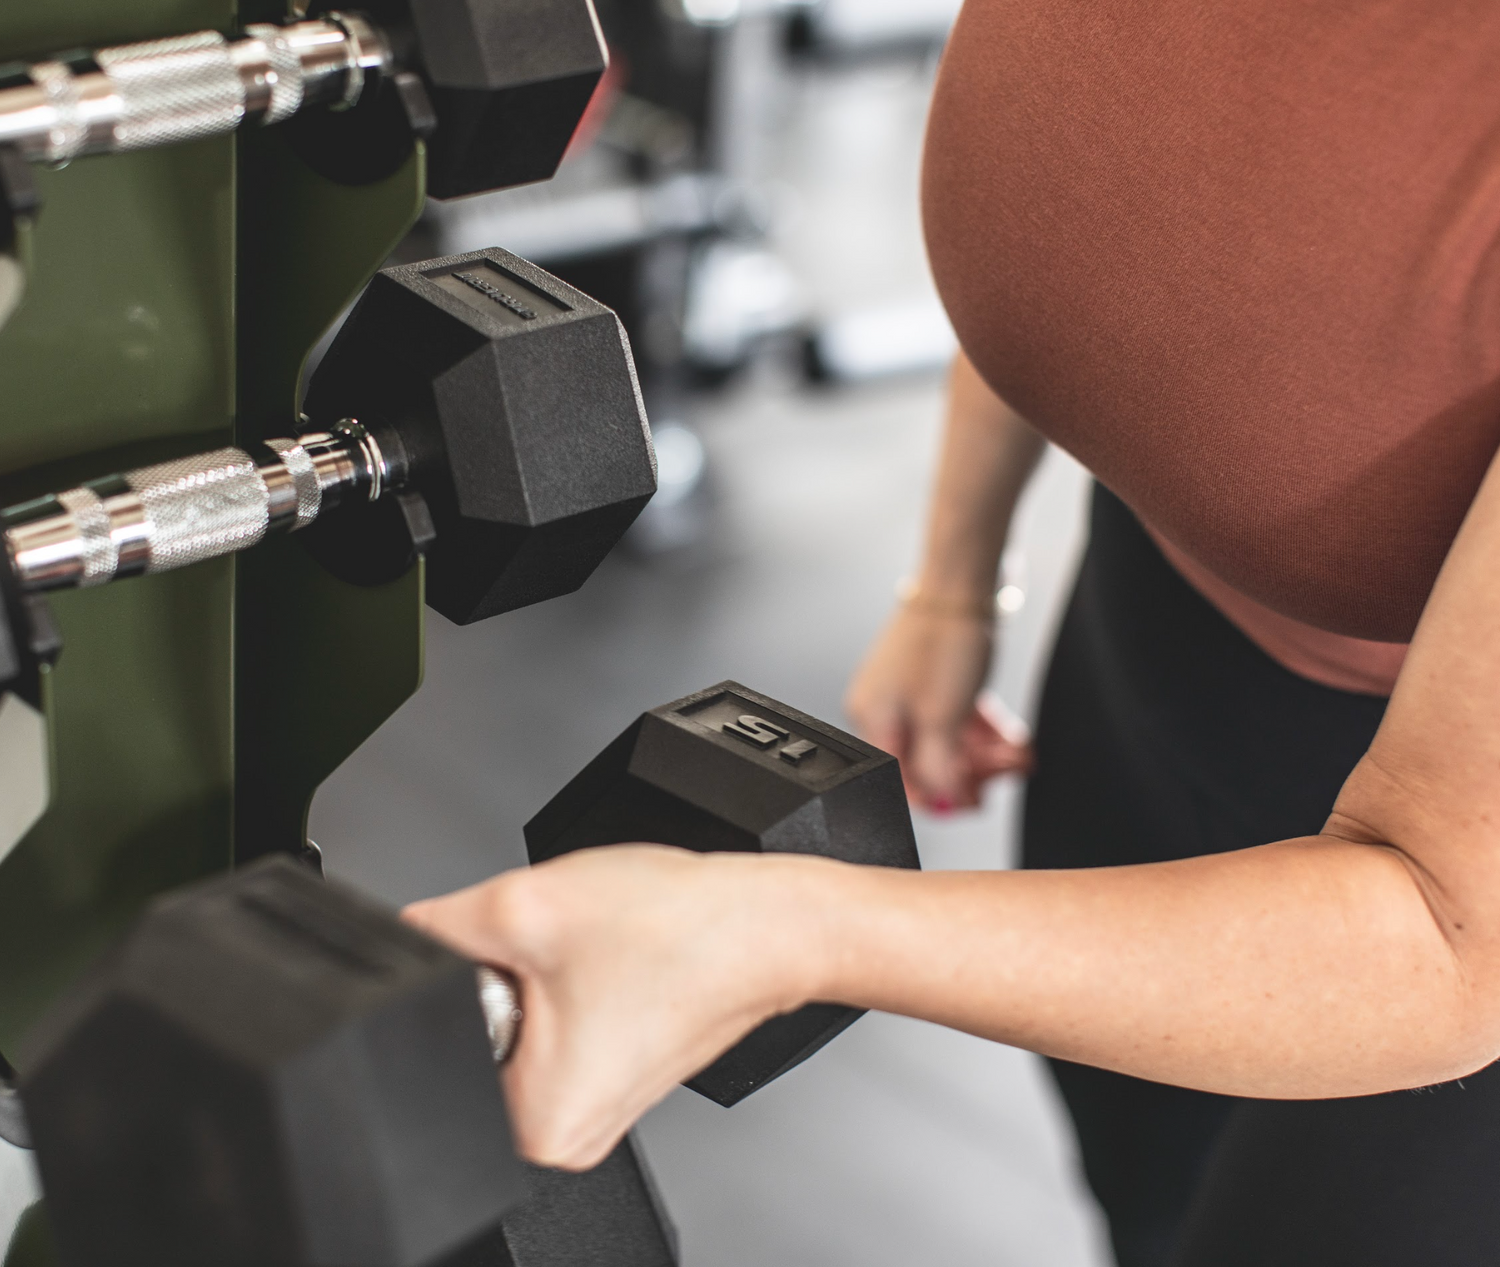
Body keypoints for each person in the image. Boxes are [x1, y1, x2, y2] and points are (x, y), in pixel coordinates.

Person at [405, 2, 1500, 1262]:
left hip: (1423, 899)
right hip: (1151, 646)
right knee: (1145, 1194)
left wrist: (778, 933)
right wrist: (955, 577)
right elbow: (1115, 197)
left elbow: (1445, 932)